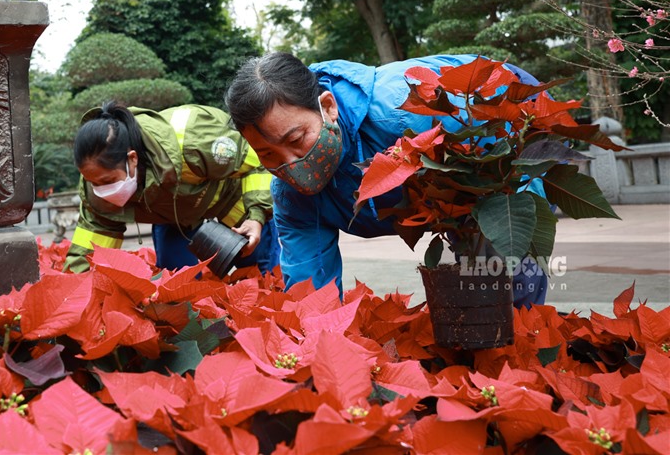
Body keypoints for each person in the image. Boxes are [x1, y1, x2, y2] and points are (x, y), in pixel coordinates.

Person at [223, 52, 548, 307]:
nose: (290, 165)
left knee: (501, 260)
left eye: (296, 139)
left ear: (328, 106)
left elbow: (496, 182)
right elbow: (310, 286)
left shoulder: (405, 113)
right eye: (268, 154)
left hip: (509, 115)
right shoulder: (291, 195)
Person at [64, 100, 280, 275]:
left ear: (132, 159)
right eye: (94, 183)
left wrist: (256, 215)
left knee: (258, 270)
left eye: (108, 181)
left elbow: (259, 160)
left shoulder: (195, 140)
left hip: (230, 198)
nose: (102, 190)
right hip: (172, 217)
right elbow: (90, 252)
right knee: (177, 284)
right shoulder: (95, 189)